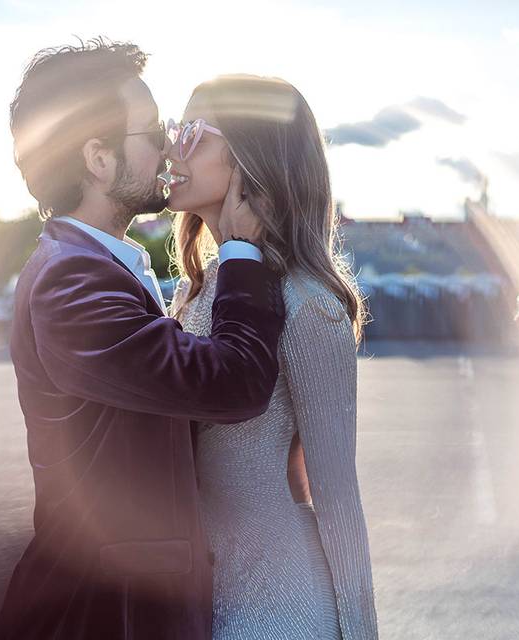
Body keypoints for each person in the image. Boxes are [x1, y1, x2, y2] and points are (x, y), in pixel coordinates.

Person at [0, 41, 285, 640]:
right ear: (98, 159)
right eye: (151, 131)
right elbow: (233, 382)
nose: (171, 143)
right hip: (103, 614)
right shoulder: (70, 283)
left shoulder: (92, 264)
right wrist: (241, 249)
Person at [167, 75, 379, 640]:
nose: (172, 148)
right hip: (206, 598)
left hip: (283, 607)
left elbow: (337, 497)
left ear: (249, 154)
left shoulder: (307, 303)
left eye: (192, 133)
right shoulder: (197, 290)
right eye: (172, 129)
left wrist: (361, 632)